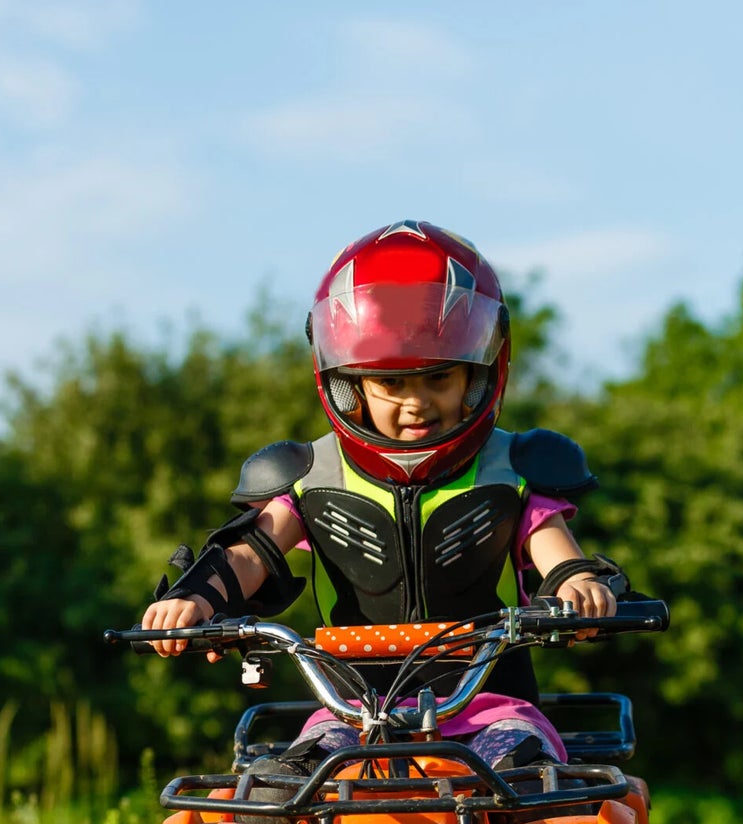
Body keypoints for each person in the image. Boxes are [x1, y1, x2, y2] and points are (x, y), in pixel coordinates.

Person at [138, 219, 630, 771]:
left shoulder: (512, 471)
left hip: (493, 711)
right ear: (348, 383)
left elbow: (553, 546)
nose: (414, 403)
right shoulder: (309, 476)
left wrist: (580, 585)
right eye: (390, 384)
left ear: (478, 375)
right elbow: (251, 552)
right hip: (347, 714)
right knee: (279, 789)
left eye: (437, 379)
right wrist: (197, 598)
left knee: (530, 781)